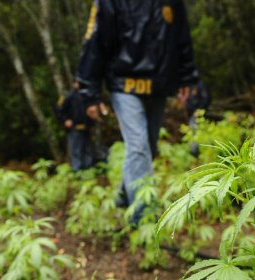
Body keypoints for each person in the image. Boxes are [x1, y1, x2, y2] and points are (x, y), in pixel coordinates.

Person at [75, 0, 199, 225]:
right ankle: (144, 219)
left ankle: (124, 196)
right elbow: (95, 42)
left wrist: (187, 76)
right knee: (138, 146)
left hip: (158, 83)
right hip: (124, 84)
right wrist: (88, 91)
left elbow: (181, 36)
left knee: (148, 148)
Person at [57, 89, 93, 171]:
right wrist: (65, 120)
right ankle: (77, 171)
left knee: (87, 149)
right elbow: (59, 109)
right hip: (74, 128)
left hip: (86, 127)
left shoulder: (87, 95)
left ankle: (89, 170)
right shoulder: (68, 95)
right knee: (76, 150)